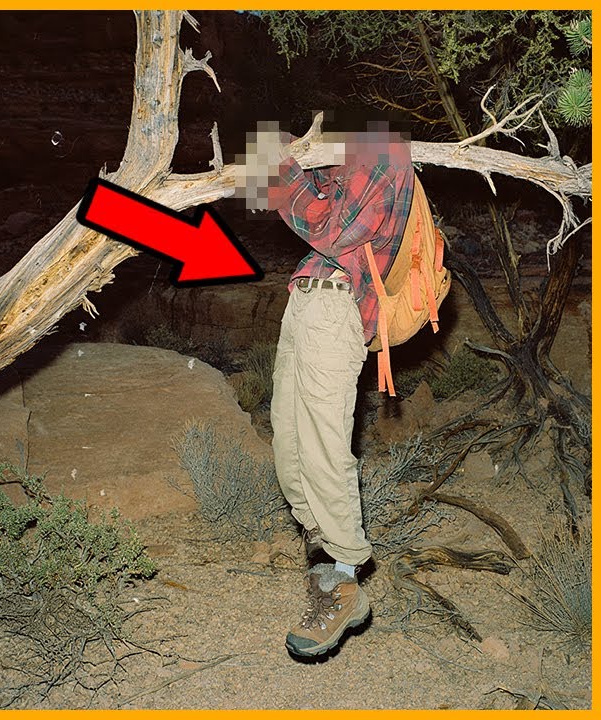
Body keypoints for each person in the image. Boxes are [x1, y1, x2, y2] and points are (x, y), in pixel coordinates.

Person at [244, 121, 415, 658]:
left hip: (336, 309)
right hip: (305, 303)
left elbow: (330, 228)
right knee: (288, 445)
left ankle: (344, 578)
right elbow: (268, 200)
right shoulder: (346, 166)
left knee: (322, 447)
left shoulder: (387, 153)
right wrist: (280, 162)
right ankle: (324, 564)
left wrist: (275, 164)